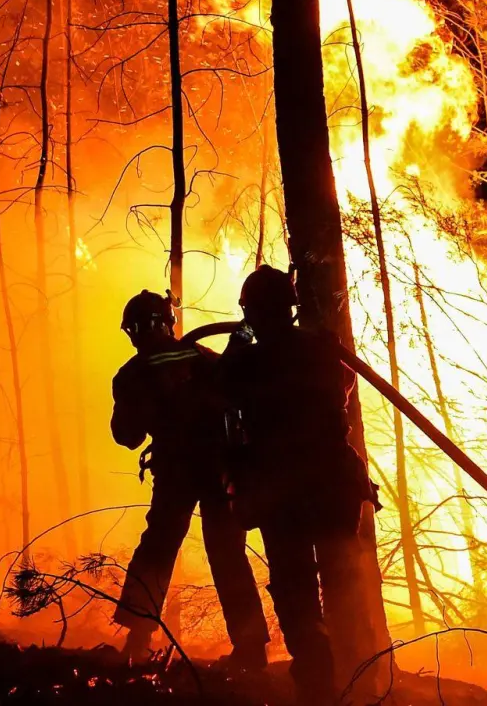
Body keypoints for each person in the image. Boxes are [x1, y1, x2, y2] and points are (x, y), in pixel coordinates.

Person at [219, 266, 375, 703]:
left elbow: (224, 398)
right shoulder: (323, 347)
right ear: (289, 308)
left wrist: (235, 351)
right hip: (333, 484)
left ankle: (319, 681)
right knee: (344, 579)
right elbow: (343, 385)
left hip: (283, 490)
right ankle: (361, 675)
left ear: (250, 312)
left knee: (295, 589)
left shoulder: (245, 363)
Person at [110, 290, 269, 668]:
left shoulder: (132, 374)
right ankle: (251, 650)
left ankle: (138, 638)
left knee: (158, 548)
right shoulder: (206, 359)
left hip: (177, 473)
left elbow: (127, 436)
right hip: (221, 470)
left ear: (133, 331)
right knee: (228, 555)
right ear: (168, 323)